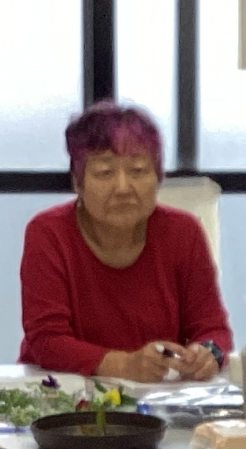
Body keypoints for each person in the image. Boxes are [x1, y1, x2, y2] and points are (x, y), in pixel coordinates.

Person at [19, 104, 231, 381]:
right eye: (105, 172)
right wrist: (123, 366)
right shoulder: (48, 233)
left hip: (158, 394)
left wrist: (208, 354)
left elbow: (214, 330)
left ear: (158, 178)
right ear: (78, 183)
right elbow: (47, 340)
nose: (122, 188)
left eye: (138, 170)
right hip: (61, 390)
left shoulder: (184, 232)